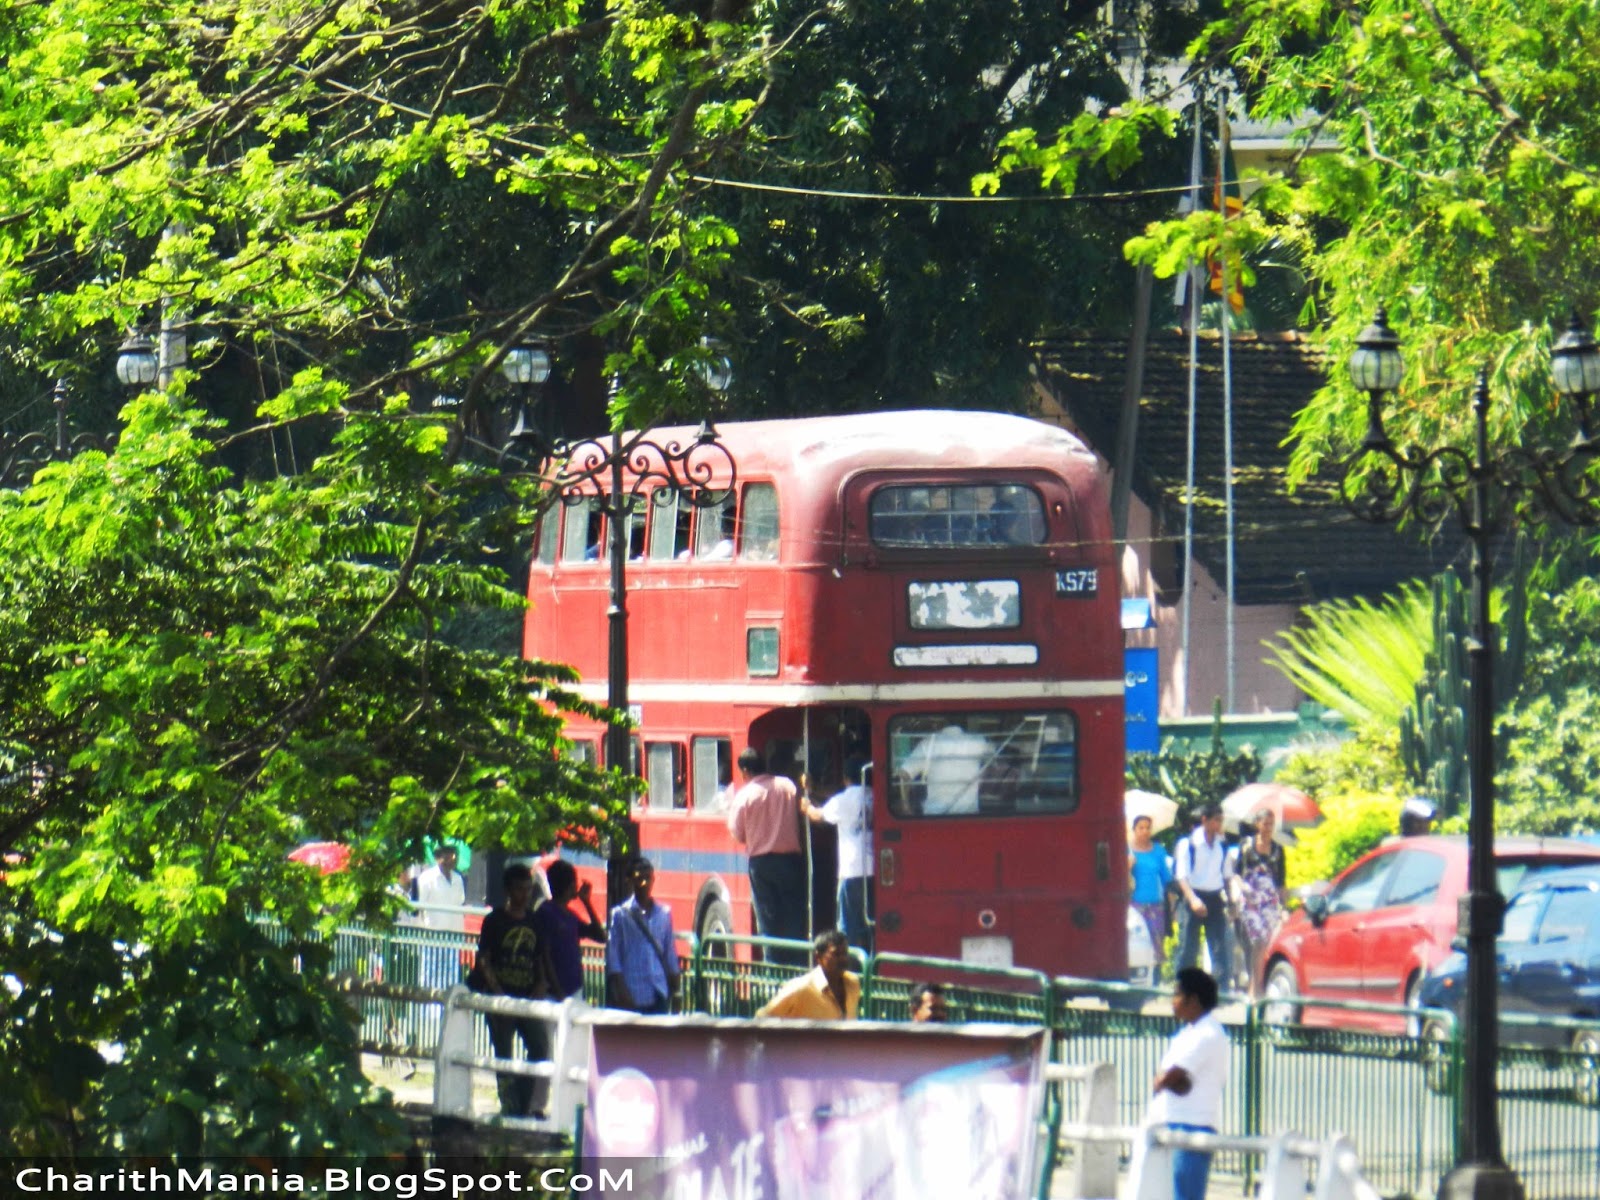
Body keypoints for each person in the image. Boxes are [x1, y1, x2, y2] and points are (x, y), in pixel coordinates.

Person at [471, 863, 550, 1116]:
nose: (524, 895)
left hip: (526, 997)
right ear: (508, 890)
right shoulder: (494, 920)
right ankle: (509, 1105)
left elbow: (539, 957)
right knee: (503, 1054)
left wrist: (541, 982)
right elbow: (484, 959)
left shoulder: (535, 921)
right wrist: (497, 992)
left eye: (528, 889)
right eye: (519, 889)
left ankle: (523, 1103)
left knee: (539, 1047)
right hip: (500, 997)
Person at [1148, 967, 1229, 1200]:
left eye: (1177, 994)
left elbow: (1168, 1077)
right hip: (1174, 1125)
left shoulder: (1208, 1033)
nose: (1172, 1001)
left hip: (1192, 1128)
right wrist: (1168, 1081)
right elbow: (1168, 1079)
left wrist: (1166, 1081)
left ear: (1193, 1000)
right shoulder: (1188, 1033)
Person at [726, 745, 808, 964]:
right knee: (794, 918)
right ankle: (797, 968)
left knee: (767, 921)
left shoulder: (744, 796)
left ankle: (773, 970)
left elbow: (737, 833)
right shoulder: (787, 786)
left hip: (761, 864)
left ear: (745, 771)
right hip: (790, 861)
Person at [803, 756, 873, 952]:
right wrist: (814, 789)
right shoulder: (875, 795)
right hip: (874, 870)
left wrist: (806, 806)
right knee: (870, 924)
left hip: (851, 870)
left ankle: (848, 964)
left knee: (848, 926)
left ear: (845, 778)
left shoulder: (844, 799)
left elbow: (818, 815)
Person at [605, 858, 679, 1014]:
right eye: (639, 878)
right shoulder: (620, 915)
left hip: (658, 990)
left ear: (653, 879)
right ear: (631, 881)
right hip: (632, 993)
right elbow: (614, 958)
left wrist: (676, 988)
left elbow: (670, 952)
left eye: (648, 878)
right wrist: (621, 990)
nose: (644, 883)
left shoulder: (664, 914)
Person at [1227, 808, 1287, 998]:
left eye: (1271, 824)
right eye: (1265, 823)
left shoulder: (1278, 850)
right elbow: (1236, 873)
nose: (1268, 827)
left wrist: (1284, 908)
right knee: (1258, 941)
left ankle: (1257, 985)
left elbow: (1281, 882)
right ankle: (1256, 987)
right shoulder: (1246, 845)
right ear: (1257, 824)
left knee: (1267, 942)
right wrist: (1241, 888)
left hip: (1269, 900)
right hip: (1251, 899)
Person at [532, 858, 606, 1002]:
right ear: (571, 885)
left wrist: (586, 902)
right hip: (554, 994)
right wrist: (558, 992)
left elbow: (600, 936)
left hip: (574, 990)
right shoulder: (546, 912)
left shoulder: (571, 916)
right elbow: (544, 954)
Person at [1174, 804, 1230, 978]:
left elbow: (1226, 875)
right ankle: (1184, 987)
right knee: (1188, 948)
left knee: (1219, 948)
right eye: (1216, 820)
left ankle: (1220, 988)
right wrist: (1193, 900)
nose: (1219, 824)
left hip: (1214, 897)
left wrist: (1231, 901)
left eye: (1221, 820)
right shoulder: (1188, 844)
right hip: (1193, 895)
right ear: (1205, 820)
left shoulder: (1222, 845)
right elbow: (1181, 876)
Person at [756, 930, 860, 1020]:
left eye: (845, 953)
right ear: (818, 957)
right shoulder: (801, 988)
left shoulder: (852, 983)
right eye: (836, 954)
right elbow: (763, 1018)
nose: (843, 959)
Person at [897, 723, 989, 816]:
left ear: (938, 725)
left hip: (935, 818)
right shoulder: (978, 741)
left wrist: (905, 806)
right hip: (969, 817)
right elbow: (991, 764)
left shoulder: (929, 743)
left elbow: (904, 773)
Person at [413, 843, 467, 988]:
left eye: (455, 854)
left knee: (450, 978)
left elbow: (460, 904)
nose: (454, 858)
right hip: (433, 936)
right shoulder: (427, 878)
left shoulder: (458, 879)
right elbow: (420, 908)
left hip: (453, 937)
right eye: (450, 853)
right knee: (430, 977)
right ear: (439, 857)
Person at [1129, 814, 1174, 973]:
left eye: (1147, 828)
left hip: (1155, 905)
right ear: (1134, 830)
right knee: (1136, 943)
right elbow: (1117, 878)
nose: (1145, 831)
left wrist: (1171, 904)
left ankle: (1156, 977)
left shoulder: (1158, 851)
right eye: (1141, 828)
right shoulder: (1126, 850)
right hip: (1134, 906)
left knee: (1157, 943)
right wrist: (1128, 866)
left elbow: (1166, 878)